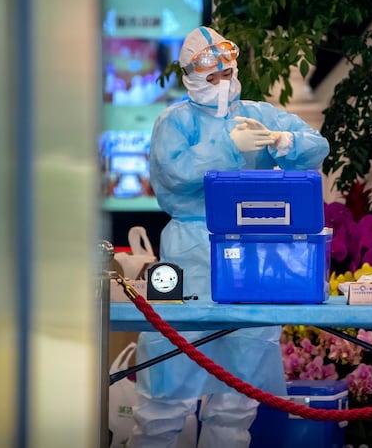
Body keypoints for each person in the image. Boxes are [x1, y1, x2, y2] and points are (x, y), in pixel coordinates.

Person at [129, 26, 329, 448]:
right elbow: (175, 176)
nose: (222, 84)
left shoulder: (259, 112)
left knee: (239, 388)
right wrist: (228, 148)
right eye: (212, 77)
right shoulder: (174, 121)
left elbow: (315, 147)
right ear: (190, 76)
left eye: (228, 74)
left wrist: (282, 139)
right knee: (172, 365)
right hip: (190, 249)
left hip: (252, 253)